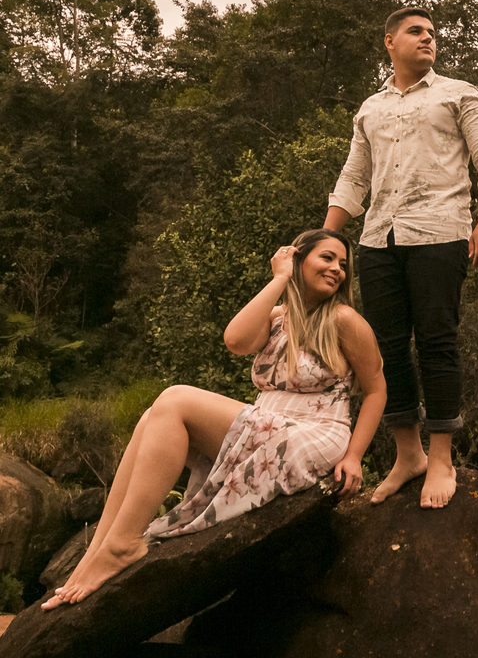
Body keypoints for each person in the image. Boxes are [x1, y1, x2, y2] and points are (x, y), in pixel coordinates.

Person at [41, 229, 385, 610]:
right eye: (327, 258)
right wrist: (279, 279)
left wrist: (354, 456)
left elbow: (376, 391)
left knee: (174, 399)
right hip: (269, 424)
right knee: (151, 418)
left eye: (343, 264)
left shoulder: (344, 320)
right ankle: (98, 552)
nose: (337, 269)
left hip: (314, 433)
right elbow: (235, 340)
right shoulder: (277, 317)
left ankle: (123, 545)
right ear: (299, 259)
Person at [324, 6, 478, 510]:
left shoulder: (459, 94)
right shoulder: (370, 109)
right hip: (378, 239)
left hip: (440, 233)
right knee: (383, 348)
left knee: (436, 341)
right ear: (389, 42)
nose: (427, 38)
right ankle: (409, 455)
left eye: (431, 33)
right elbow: (354, 178)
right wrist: (324, 238)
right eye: (415, 31)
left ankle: (441, 457)